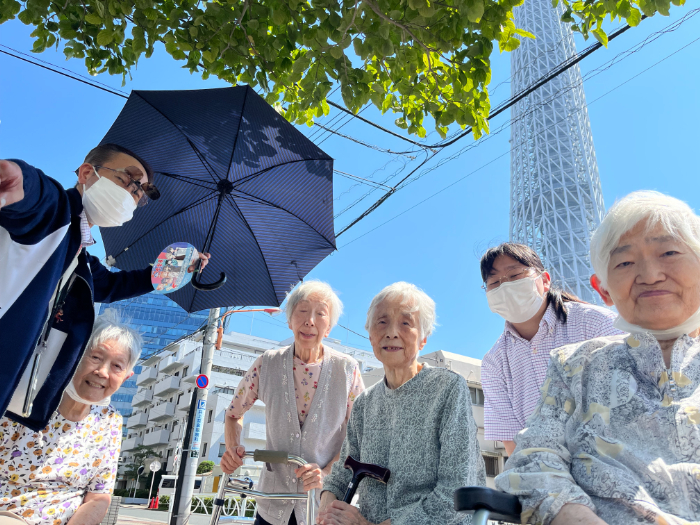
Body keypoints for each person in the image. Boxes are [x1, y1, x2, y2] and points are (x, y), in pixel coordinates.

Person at [495, 191, 700, 524]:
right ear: (603, 288)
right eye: (625, 262)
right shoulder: (576, 364)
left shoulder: (586, 320)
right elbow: (531, 457)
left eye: (669, 252)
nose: (650, 274)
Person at [0, 146, 209, 430]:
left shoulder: (77, 255)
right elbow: (37, 195)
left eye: (140, 192)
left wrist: (180, 267)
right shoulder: (57, 213)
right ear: (87, 173)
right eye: (127, 179)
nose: (132, 194)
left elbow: (112, 286)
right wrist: (18, 179)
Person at [318, 282, 485, 525]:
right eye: (382, 322)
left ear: (423, 339)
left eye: (406, 323)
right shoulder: (365, 403)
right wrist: (327, 506)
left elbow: (455, 492)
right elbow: (343, 472)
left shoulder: (448, 388)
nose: (392, 332)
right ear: (371, 334)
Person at [220, 281, 364, 525]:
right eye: (302, 310)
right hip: (272, 503)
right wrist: (233, 448)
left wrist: (328, 471)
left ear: (328, 327)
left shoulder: (347, 369)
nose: (310, 320)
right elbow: (234, 413)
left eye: (320, 314)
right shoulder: (267, 363)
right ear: (289, 320)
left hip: (324, 507)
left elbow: (360, 433)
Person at [0, 309, 142, 525]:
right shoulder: (27, 398)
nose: (103, 372)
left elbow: (98, 495)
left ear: (126, 376)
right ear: (74, 355)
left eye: (116, 366)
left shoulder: (110, 421)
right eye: (95, 357)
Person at [479, 243, 621, 456]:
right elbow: (513, 445)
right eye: (494, 282)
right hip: (544, 479)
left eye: (515, 275)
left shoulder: (596, 324)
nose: (505, 286)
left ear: (544, 280)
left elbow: (630, 403)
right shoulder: (494, 363)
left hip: (614, 463)